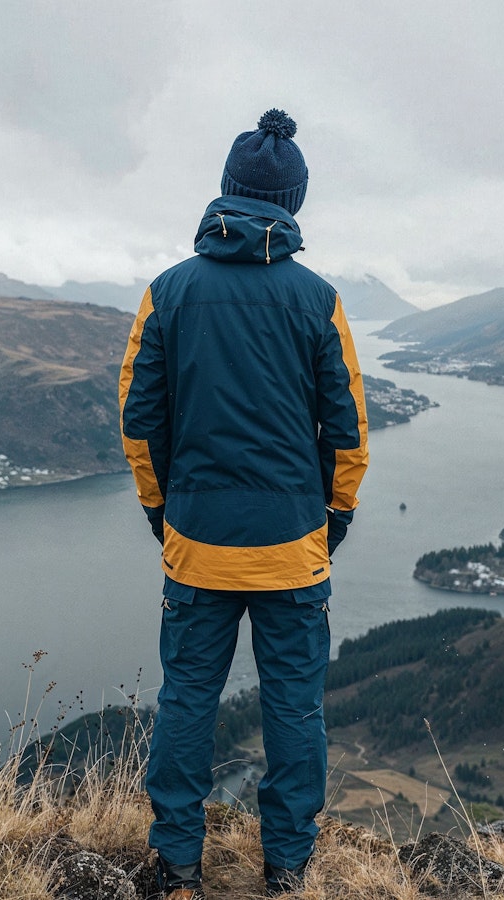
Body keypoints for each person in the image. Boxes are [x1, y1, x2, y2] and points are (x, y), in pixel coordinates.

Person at [119, 108, 369, 899]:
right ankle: (287, 871)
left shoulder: (169, 293)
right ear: (294, 202)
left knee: (187, 700)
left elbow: (139, 420)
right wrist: (333, 521)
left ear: (225, 192)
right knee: (296, 711)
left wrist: (167, 515)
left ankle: (177, 868)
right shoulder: (318, 298)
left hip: (197, 541)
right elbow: (349, 429)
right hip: (294, 545)